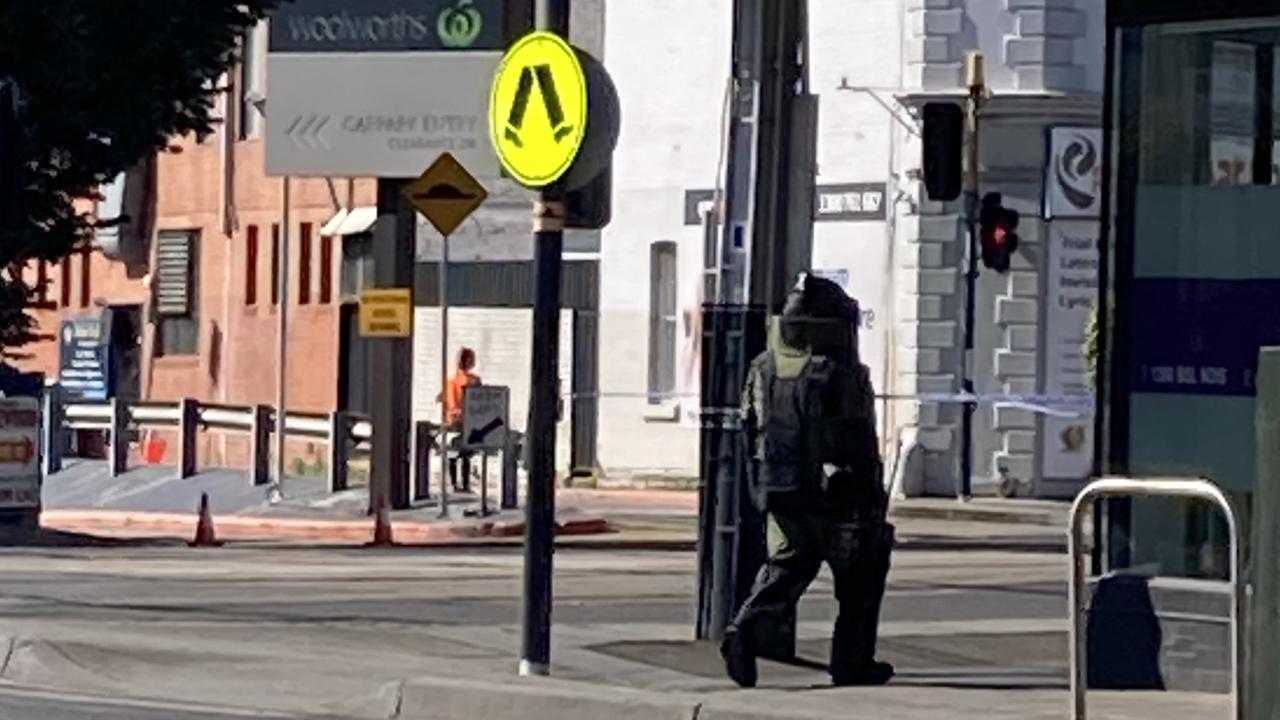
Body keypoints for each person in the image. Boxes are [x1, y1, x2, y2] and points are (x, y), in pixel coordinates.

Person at [720, 273, 895, 688]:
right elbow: (858, 438)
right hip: (839, 493)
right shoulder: (841, 372)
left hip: (778, 488)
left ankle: (742, 631)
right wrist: (872, 493)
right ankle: (852, 662)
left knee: (788, 567)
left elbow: (749, 428)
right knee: (860, 578)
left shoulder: (762, 367)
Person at [440, 347, 481, 492]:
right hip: (467, 420)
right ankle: (465, 484)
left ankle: (454, 484)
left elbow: (446, 400)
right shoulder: (474, 380)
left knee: (453, 453)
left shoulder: (450, 379)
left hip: (452, 420)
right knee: (466, 454)